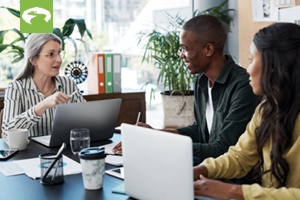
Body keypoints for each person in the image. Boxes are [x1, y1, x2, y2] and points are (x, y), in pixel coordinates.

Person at [113, 15, 259, 166]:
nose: (181, 55)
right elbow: (198, 131)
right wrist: (154, 134)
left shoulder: (243, 86)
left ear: (208, 49)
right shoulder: (201, 81)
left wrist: (155, 142)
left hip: (230, 178)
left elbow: (222, 149)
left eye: (185, 48)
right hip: (204, 167)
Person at [193, 22, 300, 199]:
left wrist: (233, 191)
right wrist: (200, 170)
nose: (248, 70)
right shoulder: (265, 109)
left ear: (273, 66)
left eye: (251, 60)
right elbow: (241, 157)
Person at [1, 33, 85, 138]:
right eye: (51, 54)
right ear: (33, 60)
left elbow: (87, 121)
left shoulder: (68, 84)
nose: (59, 59)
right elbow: (7, 132)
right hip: (31, 153)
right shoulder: (15, 88)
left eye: (59, 53)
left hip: (64, 150)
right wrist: (42, 105)